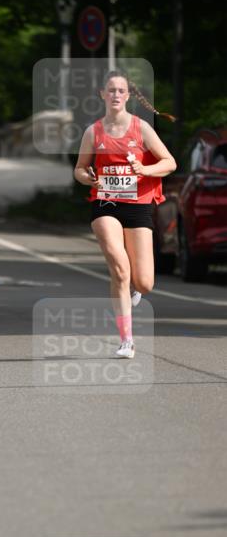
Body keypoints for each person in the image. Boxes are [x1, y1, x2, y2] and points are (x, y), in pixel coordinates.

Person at [74, 69, 176, 359]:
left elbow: (170, 162)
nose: (116, 95)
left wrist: (145, 170)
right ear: (102, 95)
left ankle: (136, 289)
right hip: (105, 203)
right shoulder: (93, 131)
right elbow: (79, 169)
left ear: (128, 96)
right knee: (120, 268)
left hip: (138, 205)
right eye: (111, 90)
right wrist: (88, 178)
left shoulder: (141, 128)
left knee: (144, 281)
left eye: (121, 90)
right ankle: (126, 340)